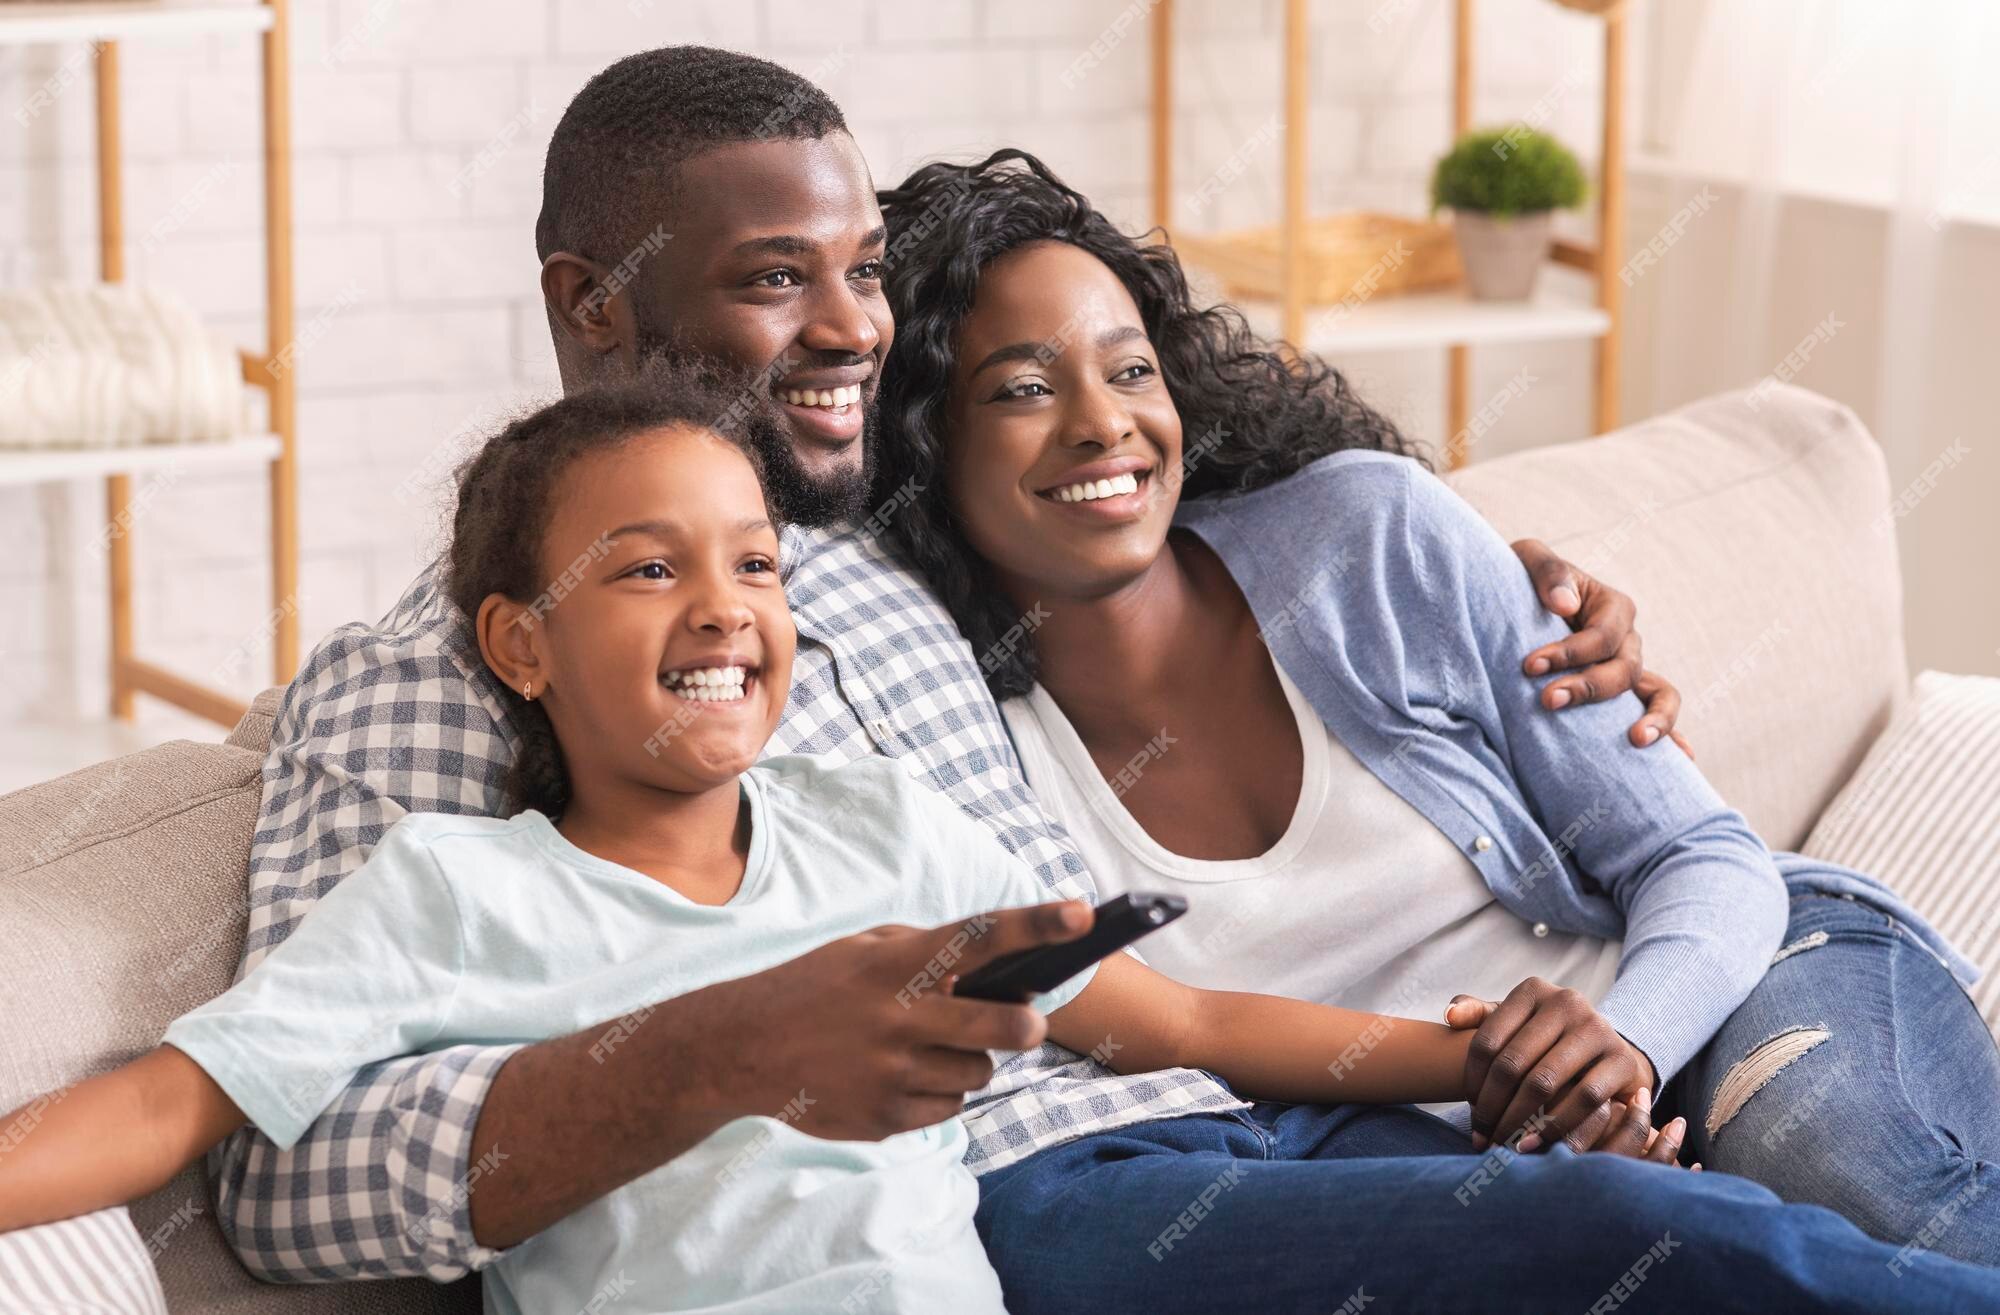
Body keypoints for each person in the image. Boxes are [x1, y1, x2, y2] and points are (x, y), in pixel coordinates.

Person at [7, 376, 1996, 1315]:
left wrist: (1485, 1063)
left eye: (755, 564)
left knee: (1668, 1242)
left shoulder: (876, 818)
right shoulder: (459, 891)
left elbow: (1164, 1009)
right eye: (642, 569)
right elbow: (185, 1106)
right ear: (517, 646)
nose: (726, 603)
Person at [205, 47, 1691, 1283]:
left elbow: (1158, 481)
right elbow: (274, 1180)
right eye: (780, 279)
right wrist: (701, 1054)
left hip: (1227, 1109)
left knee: (1688, 1214)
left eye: (862, 270)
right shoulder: (417, 680)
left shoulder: (888, 527)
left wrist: (1509, 585)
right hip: (999, 1195)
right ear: (596, 303)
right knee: (1618, 1234)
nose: (857, 325)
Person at [871, 147, 2000, 1275]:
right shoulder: (967, 753)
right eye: (1021, 387)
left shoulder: (1364, 536)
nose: (1099, 424)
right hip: (1484, 1147)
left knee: (1849, 1184)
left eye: (1129, 371)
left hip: (1733, 970)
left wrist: (1620, 1048)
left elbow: (1698, 852)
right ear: (923, 441)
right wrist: (1560, 1153)